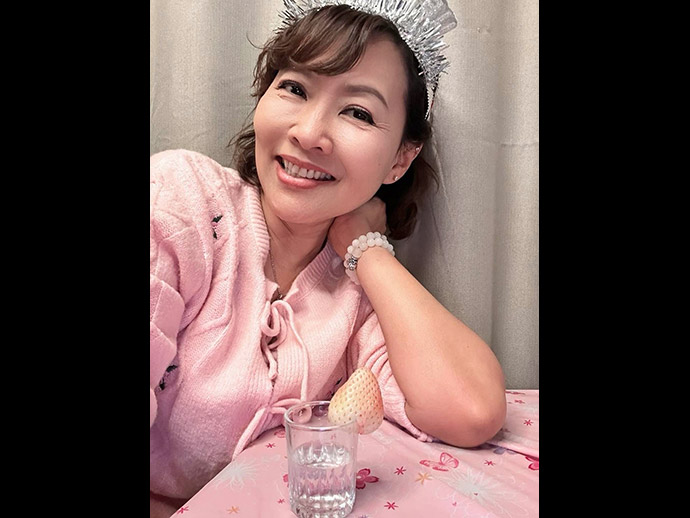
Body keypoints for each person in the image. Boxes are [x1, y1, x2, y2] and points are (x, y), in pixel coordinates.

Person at [150, 0, 506, 514]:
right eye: (295, 88)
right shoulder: (181, 202)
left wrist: (369, 252)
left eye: (358, 112)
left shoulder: (358, 298)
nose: (308, 133)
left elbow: (471, 410)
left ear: (400, 159)